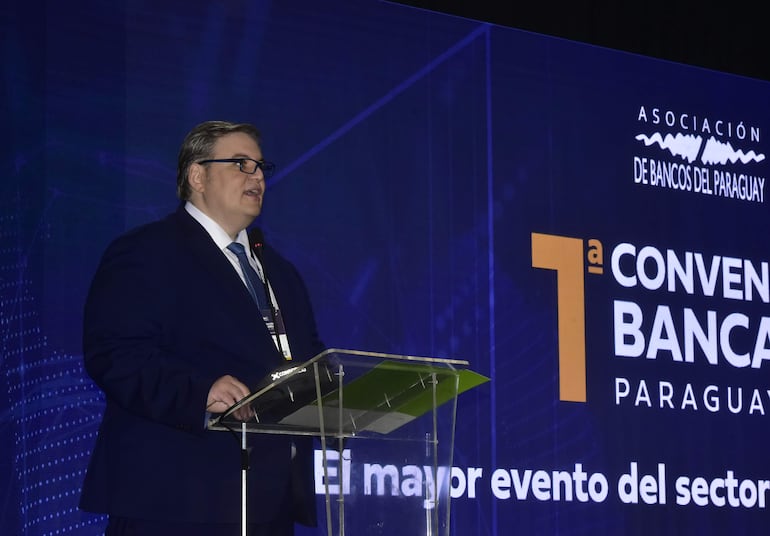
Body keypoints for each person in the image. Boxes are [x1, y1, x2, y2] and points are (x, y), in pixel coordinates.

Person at [80, 120, 325, 535]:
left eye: (261, 166)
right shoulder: (147, 252)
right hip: (176, 499)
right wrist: (199, 390)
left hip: (268, 506)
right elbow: (115, 353)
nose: (259, 176)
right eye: (241, 164)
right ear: (197, 175)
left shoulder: (279, 272)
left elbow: (309, 359)